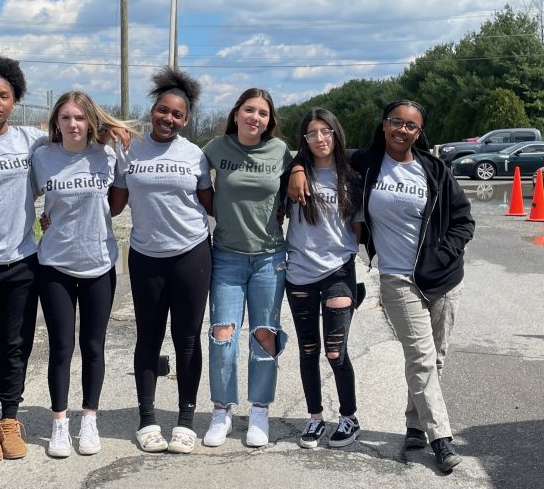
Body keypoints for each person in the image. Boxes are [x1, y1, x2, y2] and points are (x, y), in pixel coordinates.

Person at [0, 53, 129, 464]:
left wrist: (107, 128)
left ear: (15, 99)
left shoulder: (31, 143)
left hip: (24, 260)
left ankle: (10, 418)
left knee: (17, 344)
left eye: (3, 95)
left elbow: (73, 142)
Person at [288, 100, 474, 472]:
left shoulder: (434, 169)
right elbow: (325, 151)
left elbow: (463, 220)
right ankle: (442, 440)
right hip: (396, 277)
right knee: (421, 356)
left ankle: (415, 425)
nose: (401, 130)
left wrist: (443, 254)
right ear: (384, 124)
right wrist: (295, 167)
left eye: (410, 126)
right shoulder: (365, 163)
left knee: (434, 358)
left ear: (419, 133)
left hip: (442, 277)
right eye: (395, 122)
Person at [110, 66, 213, 454]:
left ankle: (186, 420)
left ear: (186, 120)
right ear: (152, 109)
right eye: (163, 111)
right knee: (149, 338)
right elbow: (115, 206)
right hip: (145, 257)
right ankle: (147, 419)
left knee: (187, 339)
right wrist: (59, 210)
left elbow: (211, 205)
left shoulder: (195, 155)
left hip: (191, 254)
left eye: (177, 115)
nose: (168, 118)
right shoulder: (129, 150)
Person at [31, 91, 139, 458]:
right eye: (66, 118)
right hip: (55, 266)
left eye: (80, 118)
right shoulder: (42, 157)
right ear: (56, 123)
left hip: (98, 263)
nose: (73, 125)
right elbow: (18, 195)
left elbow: (122, 193)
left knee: (93, 346)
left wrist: (115, 136)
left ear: (90, 122)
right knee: (61, 347)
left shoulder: (106, 155)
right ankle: (59, 423)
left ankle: (88, 418)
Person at [202, 88, 293, 448]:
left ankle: (259, 411)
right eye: (249, 110)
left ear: (270, 121)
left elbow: (303, 171)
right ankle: (222, 410)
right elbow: (186, 173)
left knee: (264, 334)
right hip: (226, 254)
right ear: (236, 113)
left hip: (270, 257)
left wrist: (298, 172)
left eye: (263, 113)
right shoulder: (215, 148)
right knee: (222, 333)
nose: (255, 118)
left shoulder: (281, 152)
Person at [284, 107, 363, 449]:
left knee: (335, 351)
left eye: (326, 131)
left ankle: (348, 417)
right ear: (304, 140)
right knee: (308, 350)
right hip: (299, 273)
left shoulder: (353, 175)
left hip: (338, 272)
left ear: (336, 133)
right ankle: (315, 417)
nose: (320, 139)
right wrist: (297, 168)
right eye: (312, 133)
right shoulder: (293, 174)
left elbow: (359, 227)